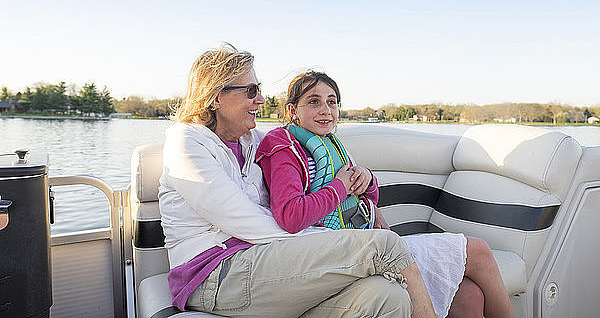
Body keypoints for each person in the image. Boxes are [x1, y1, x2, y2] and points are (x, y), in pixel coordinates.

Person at [158, 44, 438, 318]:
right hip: (216, 275)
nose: (261, 100)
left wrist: (363, 180)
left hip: (270, 271)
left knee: (388, 297)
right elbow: (242, 220)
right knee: (385, 245)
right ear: (216, 96)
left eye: (260, 90)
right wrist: (341, 241)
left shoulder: (254, 142)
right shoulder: (186, 143)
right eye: (251, 91)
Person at [256, 71, 516, 318]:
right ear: (292, 111)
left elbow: (363, 197)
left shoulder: (331, 144)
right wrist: (340, 186)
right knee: (478, 250)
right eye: (314, 102)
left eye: (332, 102)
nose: (326, 110)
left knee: (470, 296)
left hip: (370, 242)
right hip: (340, 255)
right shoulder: (282, 146)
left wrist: (367, 179)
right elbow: (290, 216)